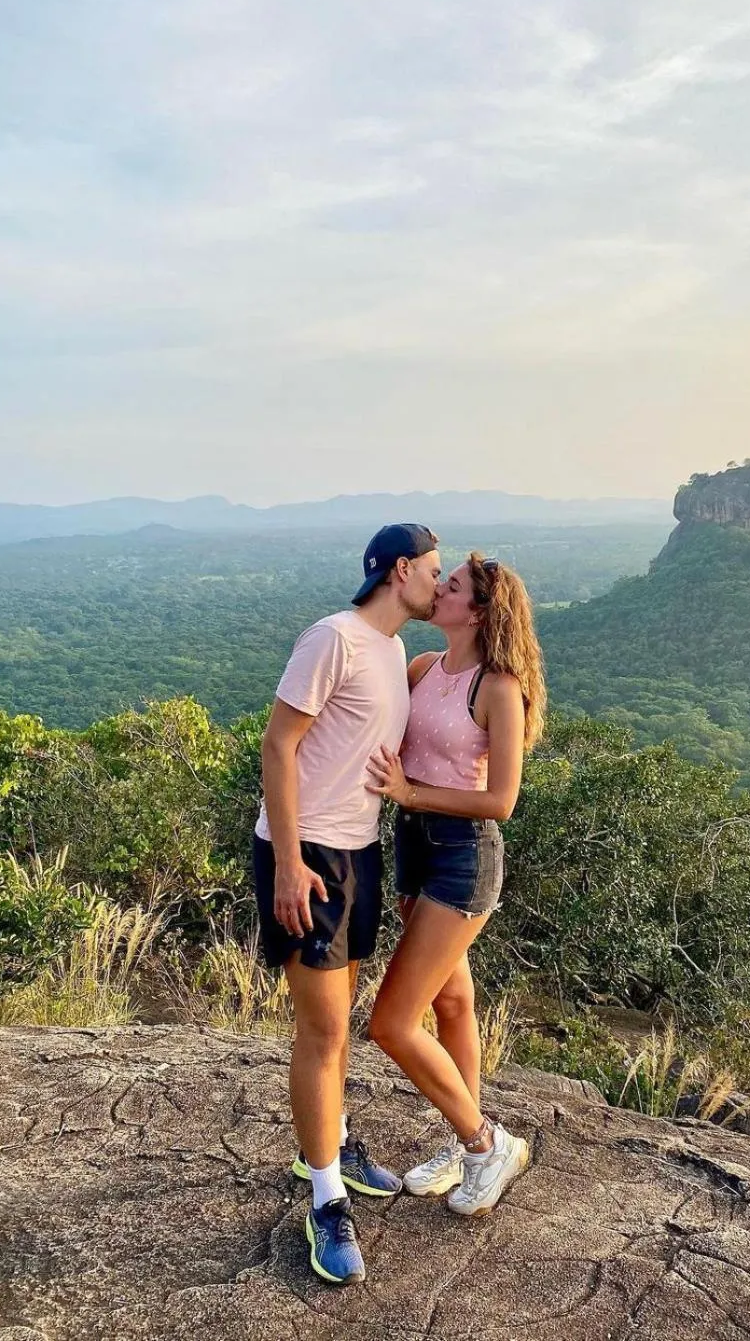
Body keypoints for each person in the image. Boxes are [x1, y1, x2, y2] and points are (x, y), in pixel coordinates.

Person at [251, 522, 440, 1285]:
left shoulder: (394, 651)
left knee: (340, 1022)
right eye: (432, 569)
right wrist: (290, 862)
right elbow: (277, 744)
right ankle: (325, 1196)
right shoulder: (333, 637)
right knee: (324, 1029)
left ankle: (323, 1141)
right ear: (401, 571)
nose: (438, 580)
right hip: (309, 855)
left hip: (359, 851)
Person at [365, 552, 547, 1217]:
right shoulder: (421, 667)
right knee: (452, 1006)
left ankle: (484, 1141)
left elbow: (500, 799)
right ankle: (462, 1142)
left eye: (451, 586)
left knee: (390, 1021)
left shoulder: (496, 687)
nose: (437, 591)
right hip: (412, 847)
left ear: (479, 611)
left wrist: (410, 790)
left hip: (463, 859)